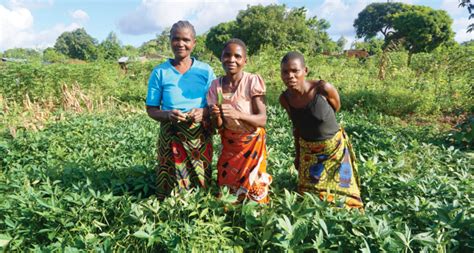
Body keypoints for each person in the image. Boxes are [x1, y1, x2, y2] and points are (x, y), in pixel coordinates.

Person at [279, 51, 363, 209]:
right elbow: (296, 127)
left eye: (295, 71)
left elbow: (336, 107)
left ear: (305, 71)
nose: (290, 75)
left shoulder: (323, 88)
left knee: (346, 202)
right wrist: (298, 156)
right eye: (285, 72)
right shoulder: (285, 99)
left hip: (334, 150)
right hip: (308, 154)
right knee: (308, 200)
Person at [145, 21, 215, 199]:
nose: (181, 44)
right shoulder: (160, 72)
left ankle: (200, 214)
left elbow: (216, 104)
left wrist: (203, 112)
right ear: (170, 40)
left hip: (199, 135)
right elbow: (151, 109)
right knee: (170, 181)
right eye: (176, 39)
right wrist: (168, 114)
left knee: (200, 180)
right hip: (171, 133)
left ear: (194, 43)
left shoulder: (205, 71)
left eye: (186, 39)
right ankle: (169, 214)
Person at [207, 39, 272, 203]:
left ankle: (255, 217)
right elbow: (218, 126)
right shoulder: (216, 85)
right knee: (227, 193)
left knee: (254, 192)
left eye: (237, 56)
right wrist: (216, 116)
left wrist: (238, 114)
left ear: (245, 60)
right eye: (227, 55)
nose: (232, 60)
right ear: (221, 58)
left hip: (251, 143)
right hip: (230, 143)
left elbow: (262, 119)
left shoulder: (252, 81)